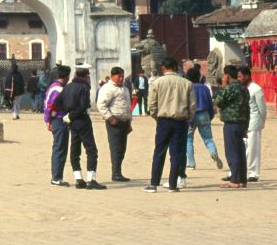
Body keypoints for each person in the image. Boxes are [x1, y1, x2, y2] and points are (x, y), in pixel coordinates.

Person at [144, 58, 194, 193]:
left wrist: (156, 117)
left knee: (159, 151)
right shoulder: (187, 83)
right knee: (177, 153)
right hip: (180, 121)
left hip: (163, 120)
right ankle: (173, 184)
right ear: (176, 67)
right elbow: (192, 106)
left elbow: (152, 104)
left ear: (163, 68)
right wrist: (188, 118)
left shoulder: (157, 82)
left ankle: (154, 184)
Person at [59, 67, 106, 190]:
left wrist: (67, 115)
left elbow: (59, 102)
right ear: (86, 76)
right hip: (82, 120)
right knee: (91, 150)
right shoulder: (84, 88)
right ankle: (91, 179)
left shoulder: (67, 87)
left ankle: (78, 178)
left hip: (72, 122)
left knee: (75, 149)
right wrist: (72, 115)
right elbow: (83, 106)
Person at [214, 65, 249, 189]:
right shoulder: (244, 88)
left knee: (232, 152)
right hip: (242, 123)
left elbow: (218, 101)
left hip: (231, 124)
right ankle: (242, 180)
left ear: (227, 75)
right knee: (240, 152)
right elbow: (247, 108)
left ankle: (234, 180)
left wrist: (222, 87)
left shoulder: (229, 88)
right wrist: (246, 126)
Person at [95, 66, 132, 182]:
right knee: (116, 148)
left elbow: (127, 106)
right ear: (112, 76)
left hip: (124, 122)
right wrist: (110, 118)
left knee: (122, 148)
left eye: (122, 76)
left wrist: (129, 121)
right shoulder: (107, 89)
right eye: (119, 76)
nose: (121, 78)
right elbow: (101, 105)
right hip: (114, 122)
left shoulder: (124, 89)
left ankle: (118, 171)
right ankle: (115, 173)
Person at [184, 65, 223, 172]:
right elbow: (211, 104)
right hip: (204, 114)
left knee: (188, 139)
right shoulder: (205, 88)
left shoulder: (188, 87)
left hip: (192, 115)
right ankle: (213, 153)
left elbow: (187, 104)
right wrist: (210, 116)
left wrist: (188, 121)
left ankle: (191, 163)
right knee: (208, 138)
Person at [44, 65, 71, 187]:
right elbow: (51, 107)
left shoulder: (54, 87)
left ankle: (57, 176)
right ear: (66, 76)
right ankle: (56, 177)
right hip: (59, 120)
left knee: (60, 148)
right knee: (60, 148)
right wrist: (48, 120)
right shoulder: (59, 89)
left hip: (56, 120)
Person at [243, 66, 266, 183]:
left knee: (253, 149)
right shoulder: (242, 88)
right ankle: (237, 171)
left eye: (240, 76)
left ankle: (253, 173)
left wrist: (261, 122)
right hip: (244, 122)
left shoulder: (256, 89)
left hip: (255, 121)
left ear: (247, 76)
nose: (239, 78)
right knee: (243, 147)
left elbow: (262, 108)